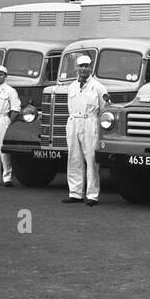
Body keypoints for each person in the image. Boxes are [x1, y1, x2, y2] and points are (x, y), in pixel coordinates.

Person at [63, 54, 108, 204]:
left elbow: (105, 109)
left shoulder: (99, 87)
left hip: (90, 122)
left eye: (86, 66)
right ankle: (75, 193)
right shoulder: (71, 87)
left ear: (91, 68)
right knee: (74, 158)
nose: (83, 69)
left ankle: (92, 195)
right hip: (74, 121)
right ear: (76, 68)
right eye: (81, 66)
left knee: (91, 159)